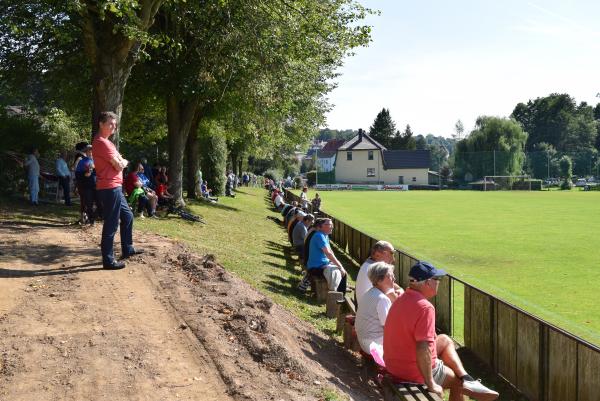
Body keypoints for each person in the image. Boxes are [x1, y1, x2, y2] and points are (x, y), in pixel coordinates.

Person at [383, 261, 499, 401]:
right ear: (426, 282)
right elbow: (422, 347)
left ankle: (467, 378)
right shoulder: (425, 308)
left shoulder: (401, 299)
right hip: (411, 372)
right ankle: (465, 381)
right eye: (437, 279)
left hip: (393, 365)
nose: (439, 282)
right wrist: (431, 383)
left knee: (444, 339)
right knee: (457, 383)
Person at [93, 111, 143, 270]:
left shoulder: (108, 143)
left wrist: (120, 160)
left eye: (115, 124)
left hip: (115, 187)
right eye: (110, 124)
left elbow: (118, 161)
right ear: (101, 124)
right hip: (109, 187)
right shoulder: (102, 142)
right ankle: (108, 260)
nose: (113, 127)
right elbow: (120, 164)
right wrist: (123, 161)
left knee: (128, 217)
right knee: (111, 223)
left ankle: (127, 248)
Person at [355, 262, 398, 354]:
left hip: (364, 341)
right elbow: (388, 328)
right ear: (379, 280)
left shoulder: (370, 293)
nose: (394, 278)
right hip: (375, 344)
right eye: (390, 276)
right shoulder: (382, 299)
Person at [355, 241, 403, 308]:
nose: (393, 259)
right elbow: (396, 300)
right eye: (391, 253)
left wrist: (400, 290)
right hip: (371, 312)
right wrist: (401, 292)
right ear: (377, 254)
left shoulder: (370, 264)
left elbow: (391, 285)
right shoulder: (375, 270)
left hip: (366, 308)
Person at [306, 218, 347, 293]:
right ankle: (339, 296)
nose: (332, 226)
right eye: (329, 224)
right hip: (315, 267)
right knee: (341, 273)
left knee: (341, 271)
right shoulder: (319, 236)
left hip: (322, 265)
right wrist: (340, 266)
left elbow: (331, 252)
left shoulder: (325, 235)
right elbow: (328, 253)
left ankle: (339, 293)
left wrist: (337, 264)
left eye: (332, 224)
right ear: (320, 226)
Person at [74, 143, 100, 225]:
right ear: (86, 152)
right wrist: (85, 174)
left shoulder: (98, 161)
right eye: (89, 151)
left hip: (97, 185)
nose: (91, 153)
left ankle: (93, 217)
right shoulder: (82, 161)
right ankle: (91, 221)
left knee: (100, 203)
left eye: (92, 151)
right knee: (88, 203)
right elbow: (77, 174)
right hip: (86, 186)